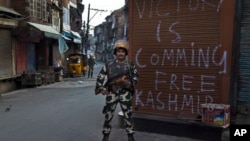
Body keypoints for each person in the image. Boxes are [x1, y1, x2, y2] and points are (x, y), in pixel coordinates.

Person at [95, 39, 139, 141]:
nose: (120, 53)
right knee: (108, 115)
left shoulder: (130, 65)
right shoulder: (109, 64)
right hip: (112, 93)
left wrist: (129, 82)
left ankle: (130, 135)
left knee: (128, 115)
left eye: (122, 51)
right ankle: (106, 135)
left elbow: (136, 76)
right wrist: (102, 89)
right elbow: (100, 77)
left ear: (125, 53)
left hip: (125, 93)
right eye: (119, 51)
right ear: (115, 52)